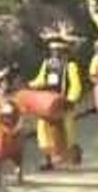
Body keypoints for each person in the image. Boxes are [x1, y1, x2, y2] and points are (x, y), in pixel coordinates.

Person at [29, 23, 84, 170]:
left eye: (59, 51)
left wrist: (71, 99)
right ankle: (47, 158)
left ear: (64, 51)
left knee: (67, 130)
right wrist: (31, 85)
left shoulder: (70, 66)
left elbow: (75, 85)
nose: (55, 54)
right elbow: (41, 79)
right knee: (43, 131)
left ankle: (72, 152)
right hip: (47, 103)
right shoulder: (46, 64)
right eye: (53, 51)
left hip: (63, 103)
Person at [0, 65, 24, 184]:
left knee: (17, 153)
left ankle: (19, 171)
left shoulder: (16, 96)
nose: (5, 84)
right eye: (2, 81)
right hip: (0, 129)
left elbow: (21, 113)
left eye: (7, 81)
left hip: (15, 128)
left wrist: (18, 127)